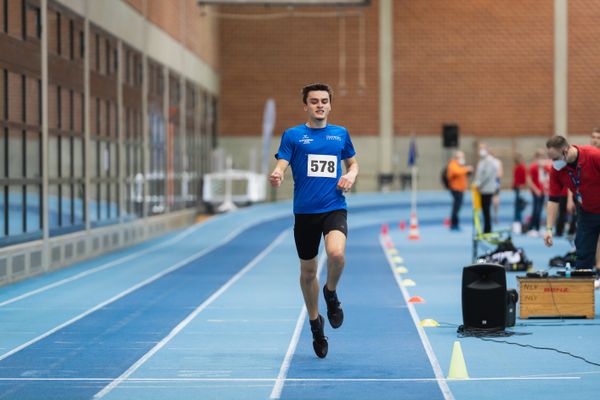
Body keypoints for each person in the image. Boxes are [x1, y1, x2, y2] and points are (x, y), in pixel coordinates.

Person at [269, 83, 359, 358]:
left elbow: (353, 164)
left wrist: (351, 176)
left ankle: (331, 293)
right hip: (305, 214)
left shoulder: (340, 134)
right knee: (308, 273)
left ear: (330, 105)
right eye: (314, 101)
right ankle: (315, 324)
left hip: (334, 207)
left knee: (337, 254)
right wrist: (277, 172)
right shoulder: (294, 136)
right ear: (306, 106)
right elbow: (282, 162)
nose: (320, 105)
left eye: (324, 101)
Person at [544, 136, 600, 289]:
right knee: (582, 255)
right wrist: (549, 228)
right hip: (586, 213)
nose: (553, 163)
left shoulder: (593, 155)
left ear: (566, 150)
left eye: (555, 158)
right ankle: (581, 302)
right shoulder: (556, 170)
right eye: (550, 159)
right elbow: (553, 199)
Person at [473, 143, 497, 233]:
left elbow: (487, 174)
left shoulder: (489, 160)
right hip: (482, 189)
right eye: (480, 148)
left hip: (487, 188)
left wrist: (479, 183)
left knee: (486, 209)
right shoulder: (482, 161)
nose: (481, 150)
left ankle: (488, 229)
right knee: (484, 209)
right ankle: (486, 228)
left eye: (482, 148)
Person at [446, 150, 473, 231]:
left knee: (458, 207)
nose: (462, 158)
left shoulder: (460, 165)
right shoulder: (452, 164)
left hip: (461, 189)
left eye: (463, 157)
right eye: (460, 157)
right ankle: (454, 224)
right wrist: (466, 169)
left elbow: (464, 175)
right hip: (455, 189)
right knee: (456, 207)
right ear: (456, 157)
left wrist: (468, 170)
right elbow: (457, 172)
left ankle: (455, 223)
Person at [526, 149, 549, 236]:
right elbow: (529, 180)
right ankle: (533, 228)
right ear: (536, 157)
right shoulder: (533, 167)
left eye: (543, 156)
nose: (542, 158)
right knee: (536, 209)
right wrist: (536, 190)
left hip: (543, 191)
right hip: (536, 191)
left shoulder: (544, 167)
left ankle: (536, 227)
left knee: (539, 210)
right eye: (540, 156)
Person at [512, 152, 527, 233]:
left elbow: (524, 179)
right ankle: (516, 222)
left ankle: (519, 222)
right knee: (517, 206)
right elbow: (515, 178)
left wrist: (522, 187)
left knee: (519, 206)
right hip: (516, 187)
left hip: (520, 187)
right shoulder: (516, 167)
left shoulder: (522, 167)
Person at [489, 148, 504, 225]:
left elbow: (500, 174)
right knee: (489, 200)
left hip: (495, 184)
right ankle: (491, 216)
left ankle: (495, 216)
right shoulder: (487, 162)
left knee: (495, 201)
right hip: (489, 184)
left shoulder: (497, 162)